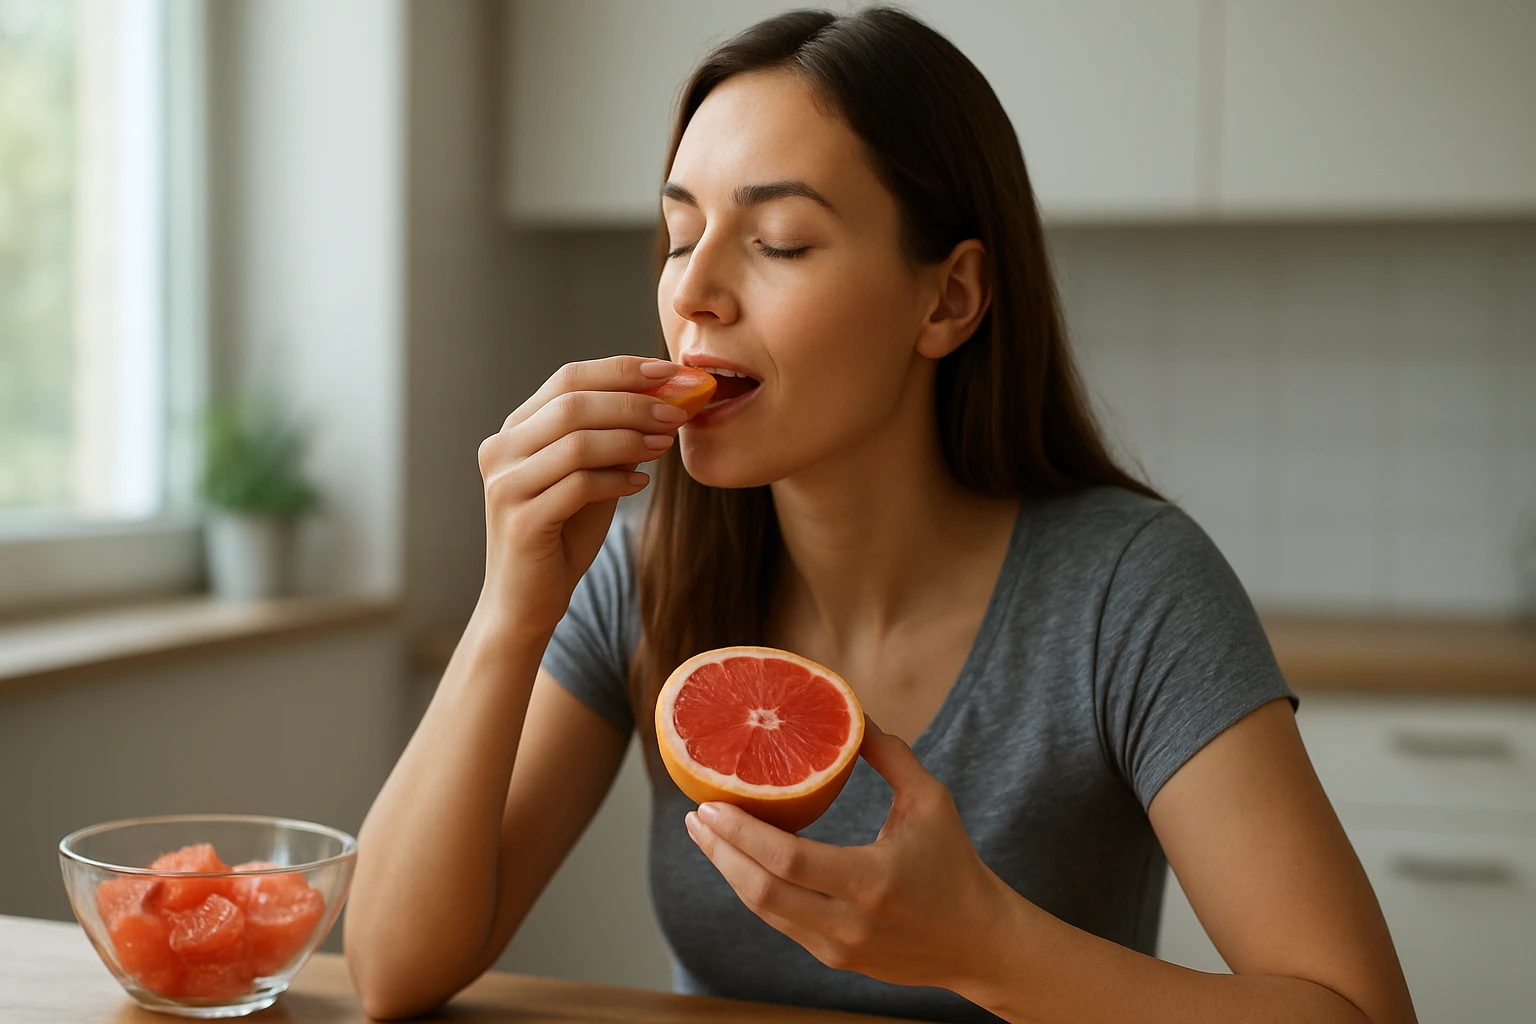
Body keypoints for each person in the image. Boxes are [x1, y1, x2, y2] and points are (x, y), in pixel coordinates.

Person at [345, 8, 1417, 1023]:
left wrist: (986, 943)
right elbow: (389, 971)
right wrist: (510, 609)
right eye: (680, 236)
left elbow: (1361, 1011)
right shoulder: (643, 566)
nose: (694, 295)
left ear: (947, 300)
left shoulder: (1129, 590)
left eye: (778, 242)